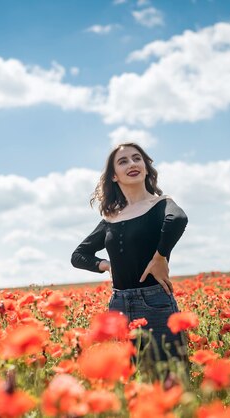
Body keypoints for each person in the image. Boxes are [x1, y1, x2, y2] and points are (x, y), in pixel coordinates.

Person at [70, 142, 189, 371]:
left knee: (169, 377)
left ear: (146, 167)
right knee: (129, 378)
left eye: (137, 158)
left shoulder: (161, 204)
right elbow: (79, 255)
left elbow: (178, 220)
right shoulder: (111, 218)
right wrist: (106, 265)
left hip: (155, 303)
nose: (132, 164)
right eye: (123, 161)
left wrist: (160, 258)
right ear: (114, 176)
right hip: (119, 304)